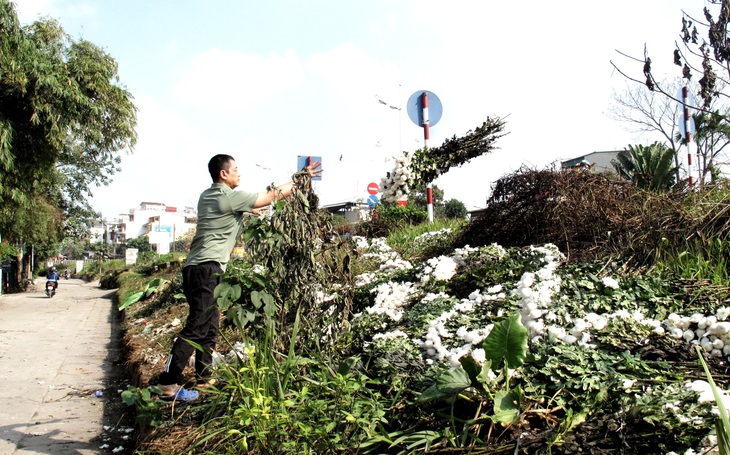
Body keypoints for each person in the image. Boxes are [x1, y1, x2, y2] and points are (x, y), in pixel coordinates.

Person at [157, 154, 322, 402]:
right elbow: (272, 195)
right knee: (196, 327)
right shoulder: (228, 196)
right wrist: (301, 178)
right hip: (207, 268)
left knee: (210, 326)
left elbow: (238, 210)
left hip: (196, 268)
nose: (239, 173)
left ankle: (205, 377)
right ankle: (167, 384)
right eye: (235, 169)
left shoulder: (208, 195)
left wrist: (249, 208)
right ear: (223, 174)